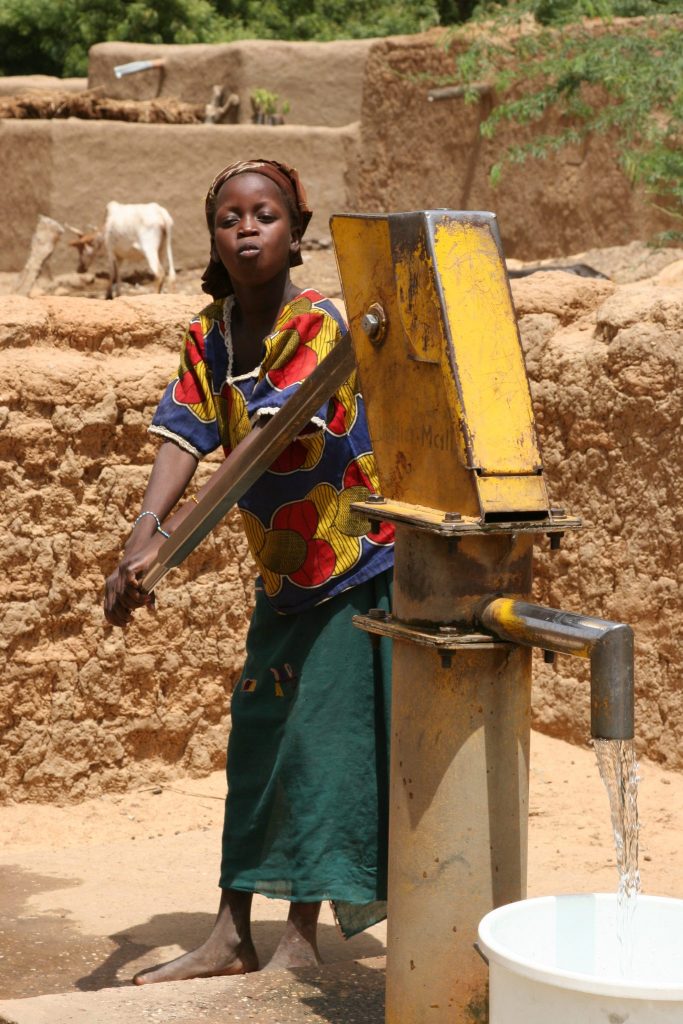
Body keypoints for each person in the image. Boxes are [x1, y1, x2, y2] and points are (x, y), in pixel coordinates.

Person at [103, 158, 395, 983]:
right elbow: (183, 432)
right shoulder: (207, 331)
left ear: (296, 235)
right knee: (257, 742)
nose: (245, 228)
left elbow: (263, 442)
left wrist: (165, 554)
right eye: (229, 217)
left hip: (347, 567)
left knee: (318, 744)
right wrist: (140, 537)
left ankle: (301, 939)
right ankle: (231, 933)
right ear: (213, 237)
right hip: (282, 577)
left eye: (264, 214)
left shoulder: (316, 325)